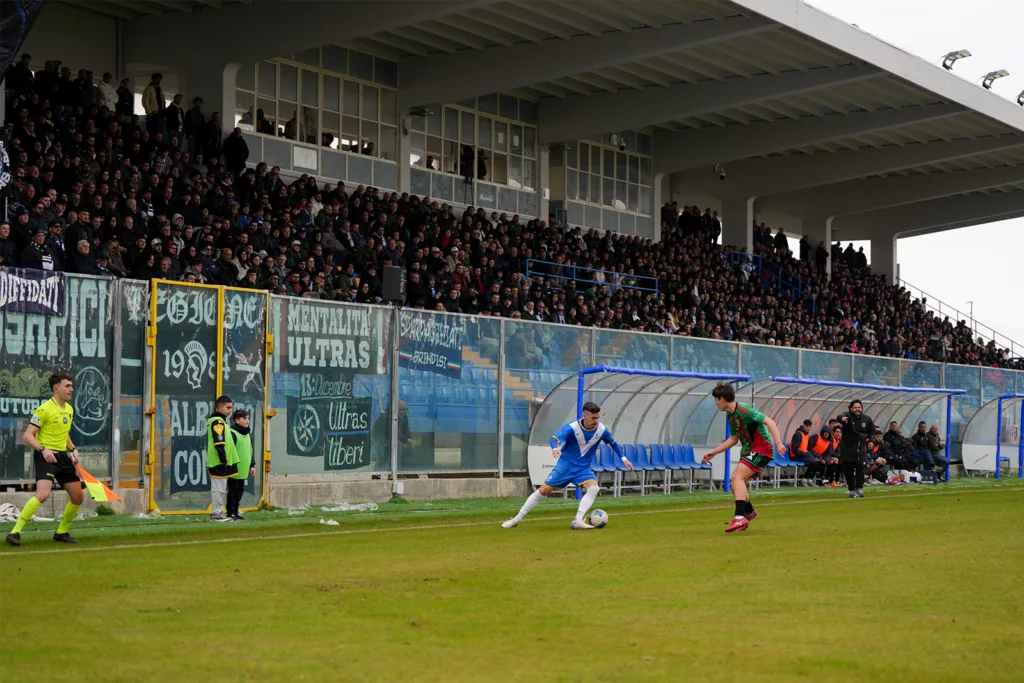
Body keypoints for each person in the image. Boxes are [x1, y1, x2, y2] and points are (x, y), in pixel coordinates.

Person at [501, 401, 634, 530]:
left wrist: (624, 459)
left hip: (582, 468)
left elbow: (613, 443)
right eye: (593, 417)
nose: (596, 420)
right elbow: (554, 439)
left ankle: (578, 520)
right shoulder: (573, 427)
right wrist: (554, 449)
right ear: (585, 416)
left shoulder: (601, 430)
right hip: (565, 466)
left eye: (598, 417)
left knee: (594, 488)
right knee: (543, 491)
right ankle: (516, 520)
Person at [6, 373, 84, 546]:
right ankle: (14, 533)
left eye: (72, 385)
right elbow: (27, 435)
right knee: (43, 494)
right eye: (67, 386)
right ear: (56, 389)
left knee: (78, 496)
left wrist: (73, 449)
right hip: (45, 457)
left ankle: (61, 532)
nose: (71, 389)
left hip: (63, 457)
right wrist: (43, 449)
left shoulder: (69, 410)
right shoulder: (44, 409)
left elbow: (63, 435)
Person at [701, 383, 786, 533]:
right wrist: (714, 452)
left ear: (722, 399)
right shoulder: (730, 415)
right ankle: (749, 511)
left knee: (736, 476)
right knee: (736, 486)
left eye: (715, 400)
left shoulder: (744, 409)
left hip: (762, 448)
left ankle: (739, 516)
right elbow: (733, 439)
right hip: (749, 450)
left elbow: (770, 422)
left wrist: (778, 443)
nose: (715, 403)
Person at [207, 395, 240, 522]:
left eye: (231, 408)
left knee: (221, 488)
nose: (230, 410)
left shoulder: (221, 421)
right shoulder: (217, 422)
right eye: (228, 407)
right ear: (219, 407)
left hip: (220, 460)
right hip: (218, 461)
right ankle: (216, 513)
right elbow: (219, 441)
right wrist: (223, 458)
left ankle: (219, 511)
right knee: (218, 488)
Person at [835, 400, 876, 498]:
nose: (857, 409)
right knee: (848, 470)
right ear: (851, 409)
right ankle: (852, 489)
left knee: (860, 469)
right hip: (848, 448)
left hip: (860, 449)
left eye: (859, 407)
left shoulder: (867, 419)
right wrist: (842, 418)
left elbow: (872, 431)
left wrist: (871, 441)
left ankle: (859, 488)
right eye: (855, 407)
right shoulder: (847, 416)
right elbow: (839, 417)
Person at [226, 409, 255, 521]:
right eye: (244, 418)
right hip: (234, 468)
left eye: (248, 418)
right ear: (237, 420)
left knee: (240, 491)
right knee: (232, 491)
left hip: (244, 468)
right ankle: (230, 512)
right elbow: (229, 450)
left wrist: (252, 465)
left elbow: (250, 451)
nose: (247, 421)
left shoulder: (248, 434)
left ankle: (236, 511)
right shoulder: (232, 433)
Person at [788, 419, 822, 487]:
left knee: (818, 462)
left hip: (802, 455)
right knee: (814, 462)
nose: (808, 428)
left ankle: (809, 479)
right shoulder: (798, 434)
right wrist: (805, 454)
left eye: (809, 426)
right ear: (803, 425)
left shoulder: (806, 436)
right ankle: (804, 479)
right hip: (795, 456)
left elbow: (808, 449)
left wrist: (816, 455)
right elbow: (795, 449)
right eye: (806, 426)